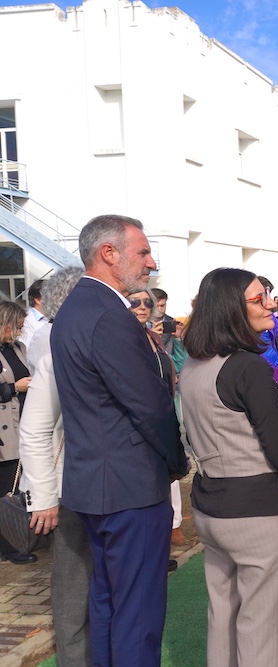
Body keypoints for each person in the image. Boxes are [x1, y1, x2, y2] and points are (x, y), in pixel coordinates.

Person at [50, 214, 187, 665]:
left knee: (109, 603)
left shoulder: (76, 309)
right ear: (108, 253)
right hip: (129, 488)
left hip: (96, 485)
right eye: (143, 252)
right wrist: (177, 462)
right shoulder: (109, 315)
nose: (151, 262)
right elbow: (149, 405)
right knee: (138, 614)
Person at [181, 268, 278, 666]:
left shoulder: (195, 365)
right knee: (264, 627)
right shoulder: (247, 367)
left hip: (211, 507)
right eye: (258, 298)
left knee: (224, 615)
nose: (270, 303)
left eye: (267, 295)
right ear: (232, 308)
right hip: (257, 512)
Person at [20, 267, 92, 664]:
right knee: (72, 585)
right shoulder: (52, 338)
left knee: (89, 584)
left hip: (89, 478)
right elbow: (37, 429)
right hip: (65, 483)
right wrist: (44, 495)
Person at [127, 289, 186, 551]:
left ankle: (166, 534)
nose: (142, 306)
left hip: (165, 416)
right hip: (138, 427)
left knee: (165, 486)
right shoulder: (122, 337)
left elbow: (177, 367)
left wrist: (177, 340)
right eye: (134, 302)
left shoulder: (154, 336)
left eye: (147, 302)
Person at [0, 301, 34, 564]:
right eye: (17, 327)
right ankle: (8, 546)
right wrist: (13, 388)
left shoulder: (19, 348)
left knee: (16, 485)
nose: (20, 332)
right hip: (4, 430)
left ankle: (18, 537)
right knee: (6, 488)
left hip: (21, 423)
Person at [256, 276, 278, 370]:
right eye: (264, 296)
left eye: (268, 295)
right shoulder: (245, 322)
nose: (271, 303)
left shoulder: (271, 317)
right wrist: (275, 370)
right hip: (262, 370)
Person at [18, 278, 46, 350]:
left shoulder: (57, 317)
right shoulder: (25, 321)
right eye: (50, 296)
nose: (55, 300)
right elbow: (27, 350)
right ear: (37, 300)